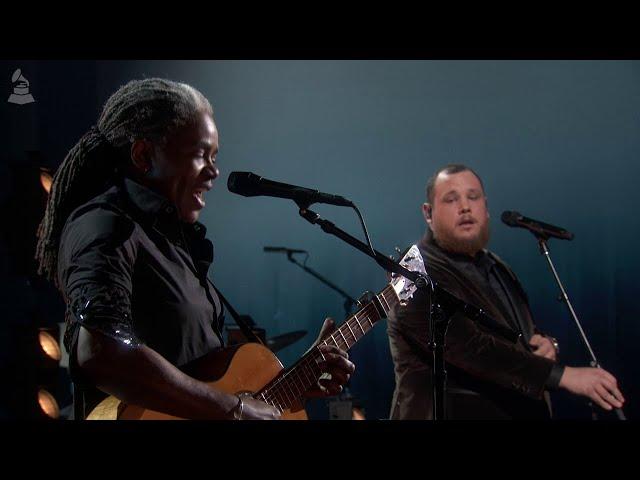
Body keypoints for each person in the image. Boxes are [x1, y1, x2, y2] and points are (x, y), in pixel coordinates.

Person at [35, 78, 355, 420]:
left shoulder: (176, 244)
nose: (214, 172)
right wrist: (232, 408)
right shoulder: (105, 223)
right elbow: (101, 353)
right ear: (144, 155)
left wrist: (297, 383)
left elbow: (202, 378)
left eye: (215, 157)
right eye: (202, 154)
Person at [386, 163, 624, 419]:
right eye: (451, 199)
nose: (465, 207)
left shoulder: (497, 266)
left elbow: (510, 334)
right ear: (428, 213)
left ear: (486, 207)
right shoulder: (412, 272)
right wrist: (560, 375)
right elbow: (467, 346)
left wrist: (544, 344)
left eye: (473, 197)